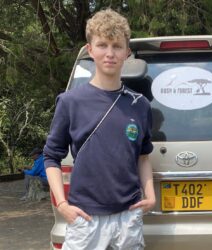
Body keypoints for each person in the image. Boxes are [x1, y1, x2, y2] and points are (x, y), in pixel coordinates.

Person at [43, 9, 155, 250]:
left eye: (117, 46)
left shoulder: (140, 104)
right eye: (102, 45)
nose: (110, 53)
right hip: (85, 220)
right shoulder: (70, 101)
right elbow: (51, 157)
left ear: (127, 52)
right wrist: (62, 204)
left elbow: (143, 157)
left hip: (128, 217)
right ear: (90, 49)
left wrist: (151, 195)